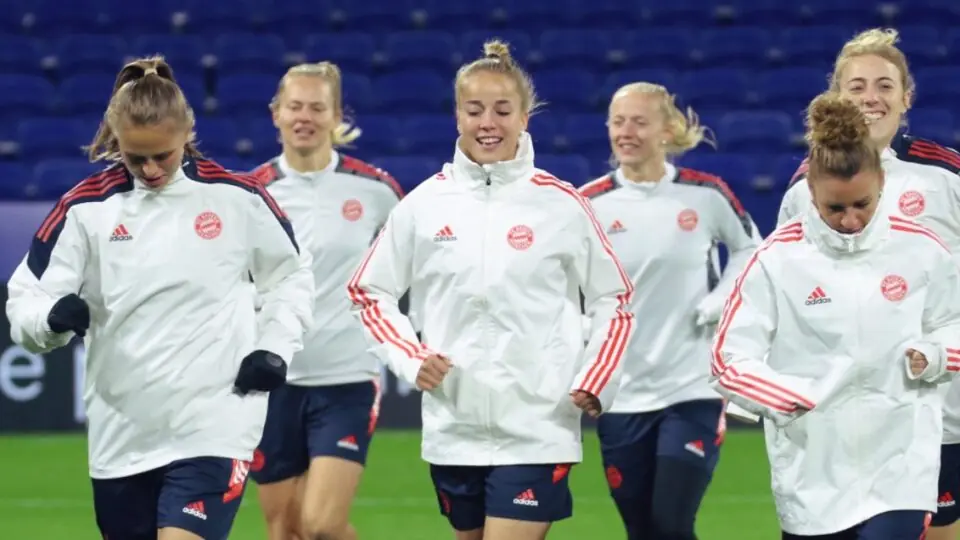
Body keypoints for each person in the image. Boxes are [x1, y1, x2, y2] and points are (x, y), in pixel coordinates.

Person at [4, 55, 314, 540]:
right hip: (121, 435)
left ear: (187, 133)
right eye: (135, 157)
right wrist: (50, 318)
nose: (150, 169)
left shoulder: (240, 199)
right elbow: (26, 297)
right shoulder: (85, 209)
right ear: (116, 140)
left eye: (162, 156)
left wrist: (274, 347)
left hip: (216, 423)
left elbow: (291, 277)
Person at [345, 40, 636, 540]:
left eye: (502, 110)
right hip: (452, 427)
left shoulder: (562, 204)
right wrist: (410, 357)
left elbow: (616, 299)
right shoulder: (424, 205)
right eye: (474, 109)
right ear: (457, 115)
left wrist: (598, 375)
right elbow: (368, 292)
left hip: (538, 426)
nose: (488, 123)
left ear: (524, 118)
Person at [712, 92, 960, 539]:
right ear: (811, 192)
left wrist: (936, 355)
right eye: (835, 208)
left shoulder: (923, 249)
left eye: (862, 204)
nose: (850, 220)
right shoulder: (776, 259)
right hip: (813, 473)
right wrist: (781, 397)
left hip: (902, 467)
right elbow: (728, 358)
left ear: (881, 182)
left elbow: (953, 323)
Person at [776, 28, 960, 540]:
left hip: (937, 403)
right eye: (856, 87)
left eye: (884, 85)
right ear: (837, 97)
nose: (870, 97)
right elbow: (786, 292)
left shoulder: (945, 175)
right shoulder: (804, 188)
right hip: (844, 409)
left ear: (907, 97)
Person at [579, 82, 762, 540]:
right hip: (620, 394)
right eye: (618, 122)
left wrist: (722, 299)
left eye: (639, 122)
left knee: (672, 524)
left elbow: (750, 250)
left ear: (666, 130)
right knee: (642, 530)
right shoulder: (588, 204)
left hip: (692, 386)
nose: (626, 132)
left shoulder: (705, 194)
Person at [247, 62, 403, 540]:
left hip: (346, 377)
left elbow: (409, 269)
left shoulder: (377, 191)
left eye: (317, 108)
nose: (305, 117)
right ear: (276, 113)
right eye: (295, 106)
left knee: (322, 525)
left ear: (337, 116)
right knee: (285, 529)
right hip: (271, 383)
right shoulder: (248, 195)